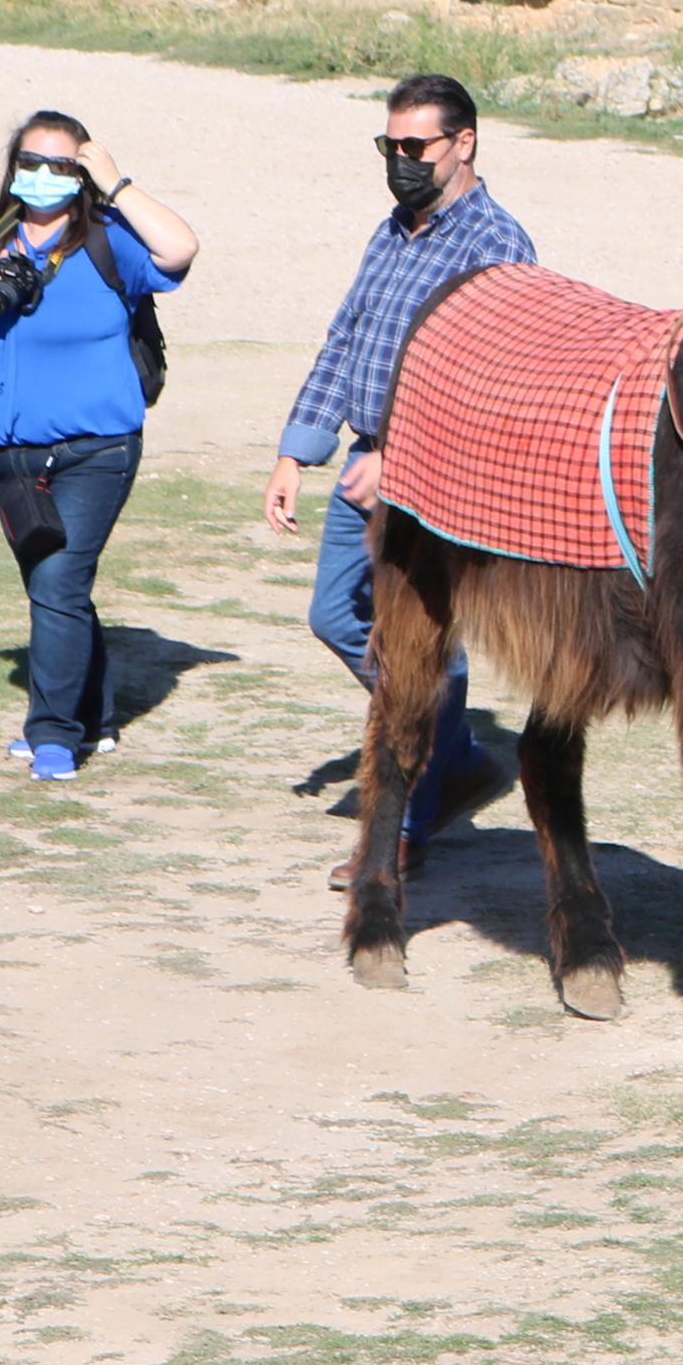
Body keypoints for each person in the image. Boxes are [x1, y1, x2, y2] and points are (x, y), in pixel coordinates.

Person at [266, 75, 534, 861]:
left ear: (464, 143)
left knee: (414, 644)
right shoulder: (392, 231)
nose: (400, 161)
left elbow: (493, 379)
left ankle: (406, 821)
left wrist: (402, 458)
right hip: (365, 462)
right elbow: (345, 338)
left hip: (437, 473)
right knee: (335, 615)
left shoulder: (498, 243)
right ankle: (452, 755)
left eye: (415, 146)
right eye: (390, 146)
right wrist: (296, 451)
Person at [0, 109, 202, 782]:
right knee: (57, 590)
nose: (43, 176)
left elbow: (180, 248)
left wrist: (117, 183)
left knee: (58, 582)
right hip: (10, 457)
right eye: (31, 162)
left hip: (95, 450)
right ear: (14, 166)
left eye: (61, 165)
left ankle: (51, 735)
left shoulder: (108, 239)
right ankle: (96, 715)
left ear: (82, 173)